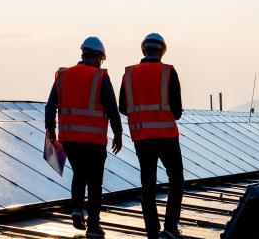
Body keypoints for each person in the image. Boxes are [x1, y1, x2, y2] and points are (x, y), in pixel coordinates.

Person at [45, 36, 123, 238]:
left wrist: (51, 129)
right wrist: (118, 133)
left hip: (69, 139)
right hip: (94, 141)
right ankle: (94, 226)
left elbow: (50, 105)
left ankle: (77, 209)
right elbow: (112, 109)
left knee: (79, 173)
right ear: (98, 57)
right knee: (94, 181)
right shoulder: (100, 77)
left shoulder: (63, 76)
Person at [120, 33, 184, 239]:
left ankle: (151, 229)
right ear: (162, 51)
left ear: (143, 49)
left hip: (142, 137)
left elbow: (123, 107)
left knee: (148, 183)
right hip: (167, 136)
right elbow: (176, 112)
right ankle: (170, 226)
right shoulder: (168, 72)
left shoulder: (129, 74)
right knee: (176, 179)